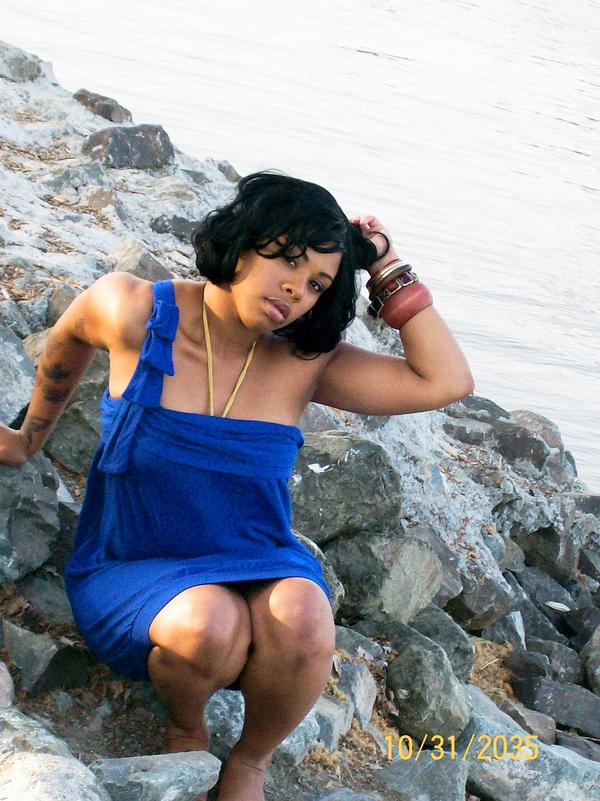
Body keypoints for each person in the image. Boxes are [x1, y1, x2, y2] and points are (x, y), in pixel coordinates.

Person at [0, 170, 474, 801]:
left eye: (318, 284)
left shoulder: (305, 363)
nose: (297, 290)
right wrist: (28, 437)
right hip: (131, 561)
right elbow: (65, 341)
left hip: (255, 557)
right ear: (244, 241)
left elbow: (445, 381)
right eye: (289, 260)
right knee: (208, 624)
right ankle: (186, 729)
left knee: (305, 614)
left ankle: (250, 761)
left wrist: (386, 267)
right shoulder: (136, 311)